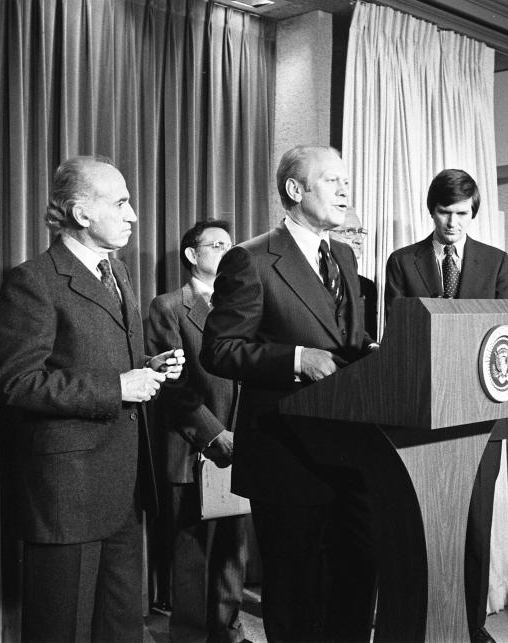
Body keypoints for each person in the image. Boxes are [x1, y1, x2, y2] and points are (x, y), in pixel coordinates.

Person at [0, 155, 184, 641]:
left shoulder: (117, 274)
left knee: (120, 627)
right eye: (120, 203)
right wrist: (118, 387)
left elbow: (113, 361)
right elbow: (16, 383)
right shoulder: (33, 281)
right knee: (62, 629)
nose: (133, 215)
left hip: (123, 486)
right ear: (81, 213)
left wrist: (150, 367)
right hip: (66, 494)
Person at [200, 146, 377, 642]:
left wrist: (376, 353)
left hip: (350, 449)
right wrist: (296, 359)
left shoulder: (342, 253)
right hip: (287, 455)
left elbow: (348, 340)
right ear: (295, 190)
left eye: (347, 180)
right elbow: (219, 350)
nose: (346, 190)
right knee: (297, 590)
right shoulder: (251, 258)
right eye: (332, 180)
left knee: (356, 575)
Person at [383, 168, 508, 643]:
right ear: (432, 210)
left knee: (476, 528)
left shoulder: (495, 262)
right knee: (427, 531)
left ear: (472, 212)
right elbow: (398, 338)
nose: (453, 222)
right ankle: (429, 624)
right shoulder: (402, 262)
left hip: (483, 419)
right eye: (445, 212)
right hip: (423, 418)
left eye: (462, 213)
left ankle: (472, 627)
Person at [147, 220, 251, 643]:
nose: (228, 252)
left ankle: (229, 632)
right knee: (191, 552)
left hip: (242, 446)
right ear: (193, 255)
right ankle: (189, 636)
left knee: (233, 549)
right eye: (217, 245)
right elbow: (173, 386)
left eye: (231, 245)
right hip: (192, 448)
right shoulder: (169, 306)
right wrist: (215, 435)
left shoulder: (243, 306)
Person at [330, 207, 377, 340]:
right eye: (349, 232)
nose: (359, 240)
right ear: (326, 235)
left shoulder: (367, 287)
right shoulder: (314, 280)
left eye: (360, 232)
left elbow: (368, 338)